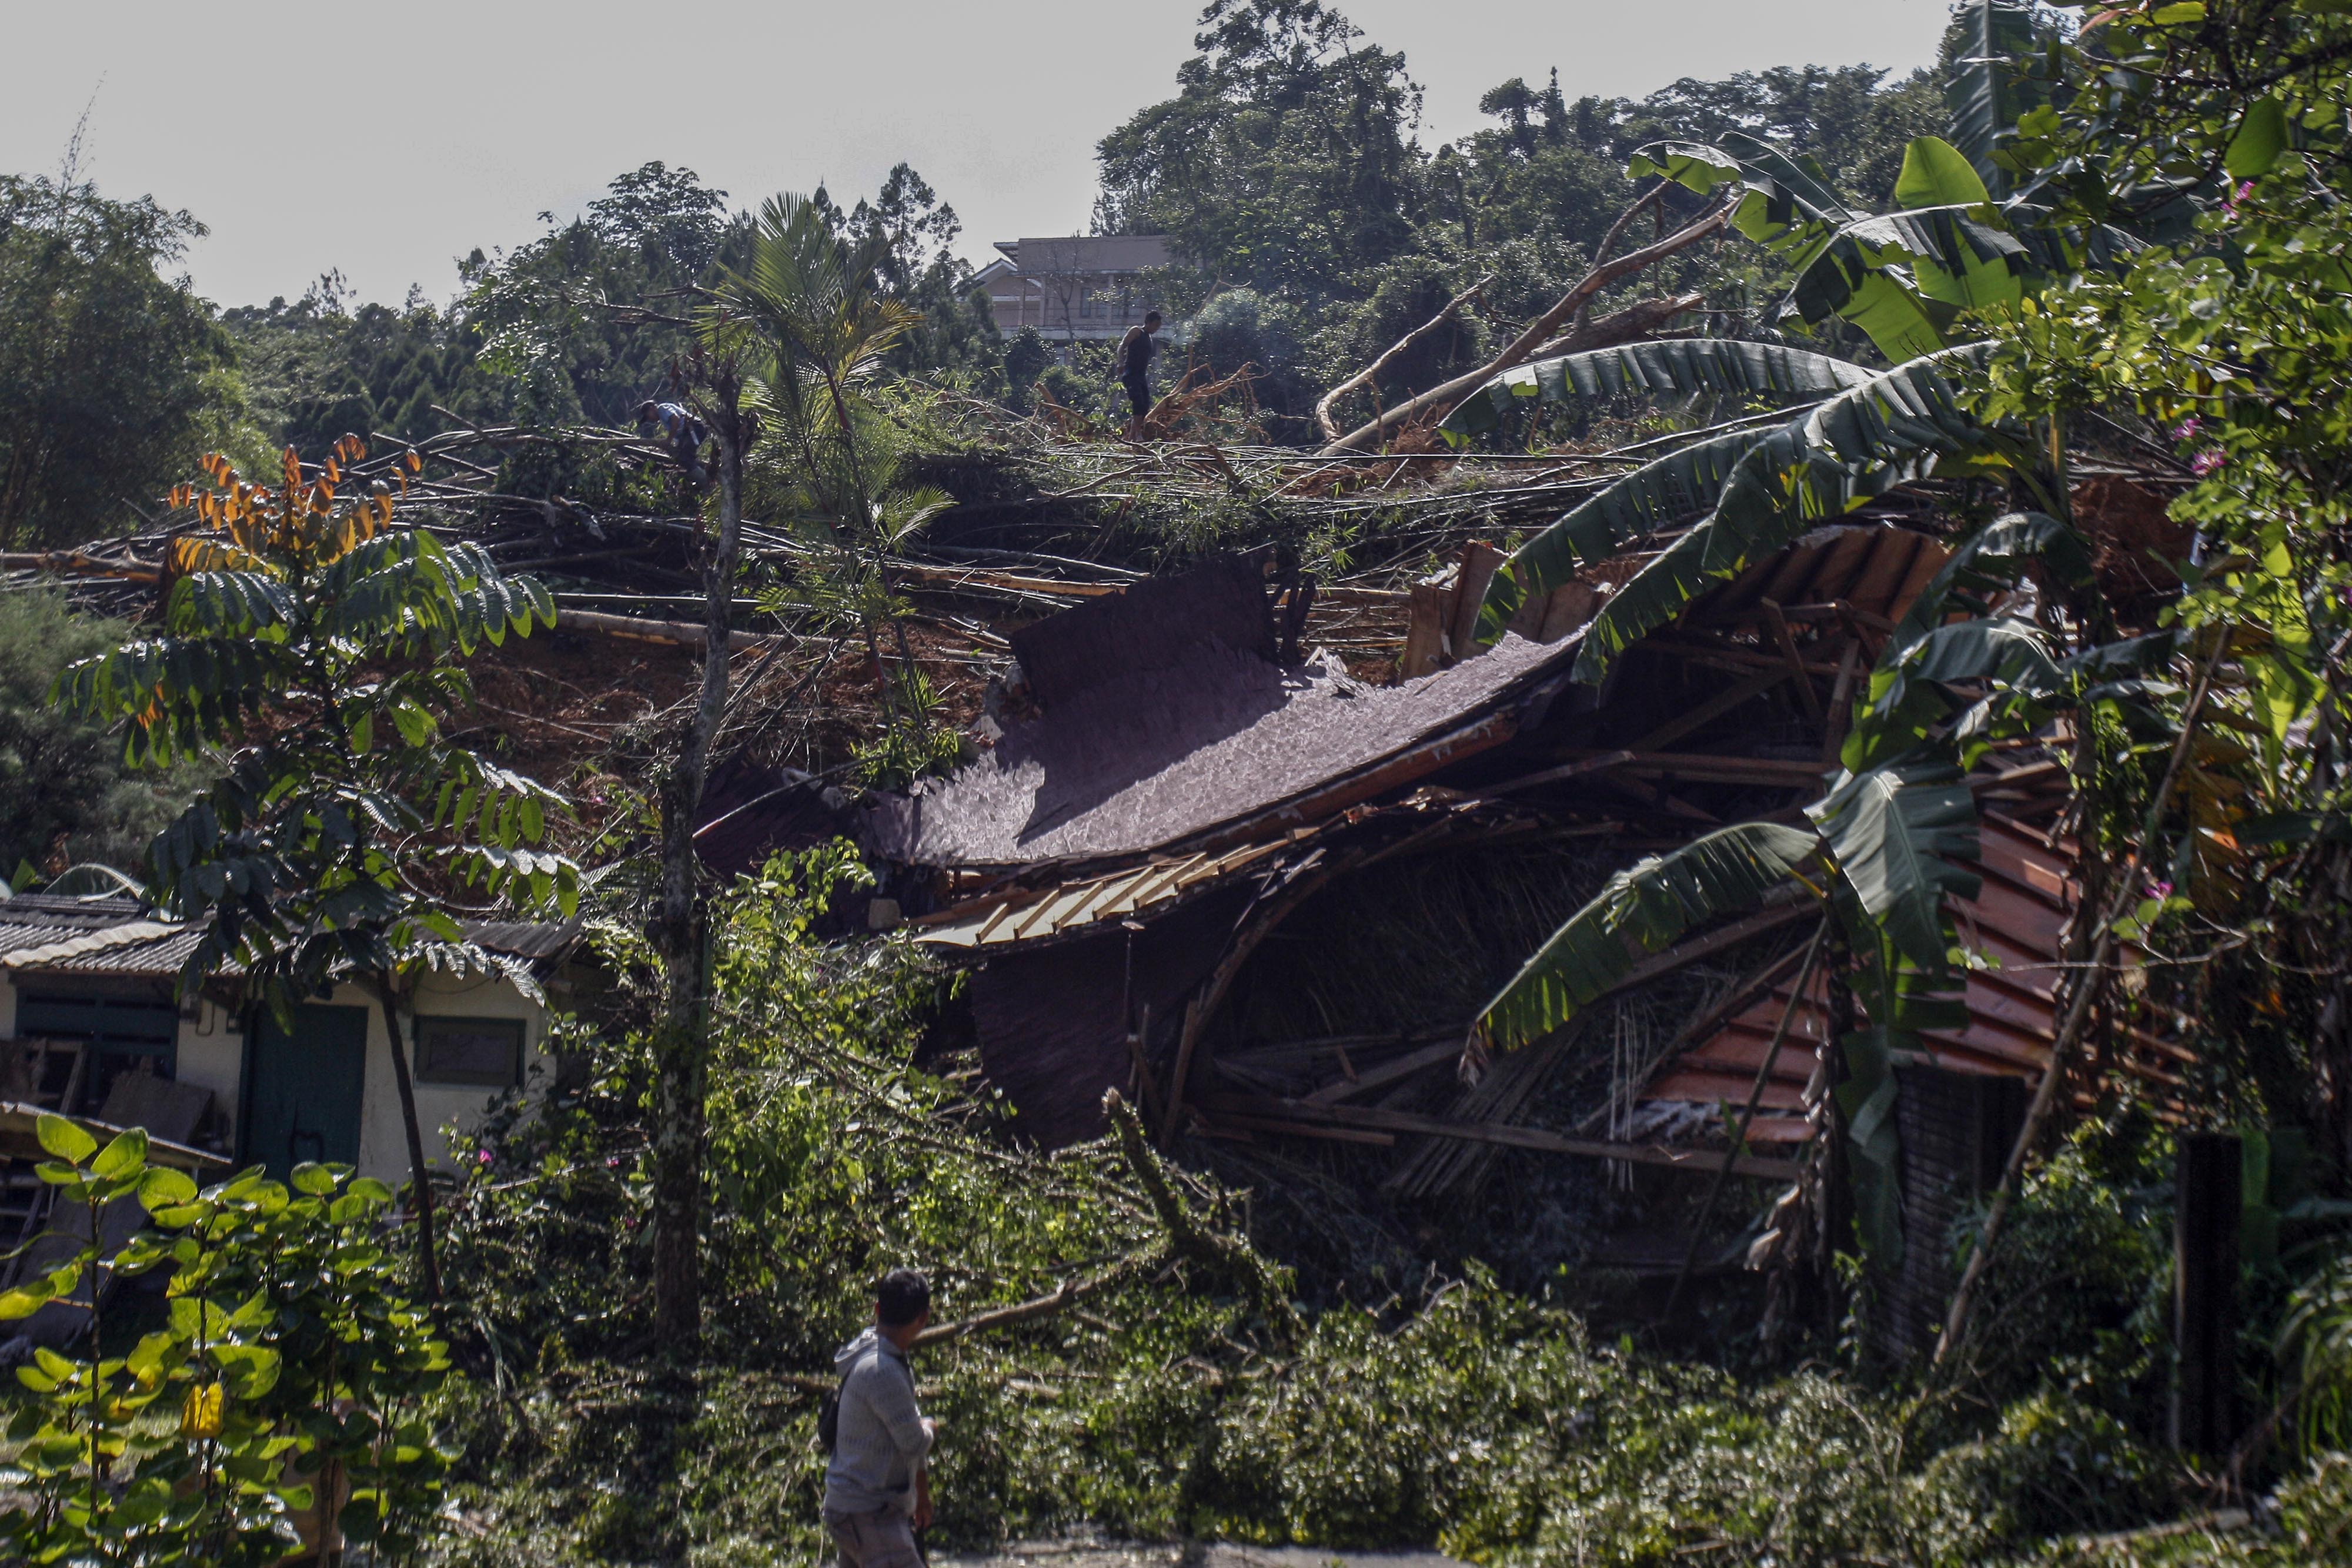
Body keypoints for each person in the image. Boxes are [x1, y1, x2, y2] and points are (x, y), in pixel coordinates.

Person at [824, 1269, 936, 1568]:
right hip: (866, 1510)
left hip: (859, 1506)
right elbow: (914, 1442)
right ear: (923, 1319)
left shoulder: (885, 1357)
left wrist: (921, 1498)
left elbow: (906, 1438)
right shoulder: (882, 1370)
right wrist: (930, 1427)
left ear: (877, 1309)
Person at [634, 398, 710, 483]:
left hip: (693, 428)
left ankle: (705, 480)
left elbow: (675, 419)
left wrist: (668, 440)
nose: (650, 419)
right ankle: (702, 474)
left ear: (652, 409)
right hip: (689, 432)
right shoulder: (663, 417)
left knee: (686, 457)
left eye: (648, 416)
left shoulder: (661, 409)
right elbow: (678, 433)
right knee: (682, 457)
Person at [1118, 310, 1162, 436]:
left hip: (1141, 376)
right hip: (1131, 374)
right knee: (1138, 402)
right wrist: (1120, 362)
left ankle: (1132, 438)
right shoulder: (1137, 331)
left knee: (1145, 407)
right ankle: (1138, 435)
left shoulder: (1149, 338)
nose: (1156, 328)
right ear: (1148, 322)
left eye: (1159, 326)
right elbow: (1122, 346)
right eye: (1155, 325)